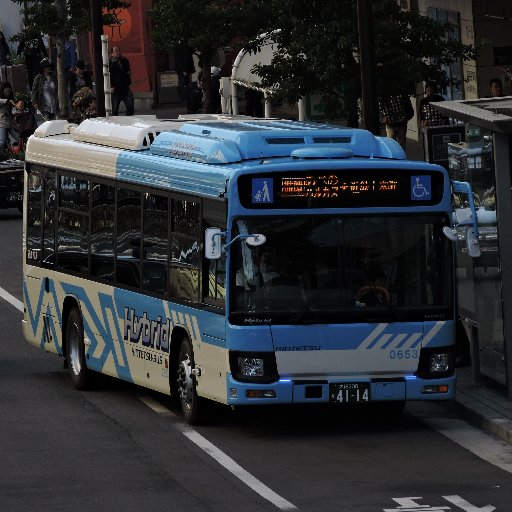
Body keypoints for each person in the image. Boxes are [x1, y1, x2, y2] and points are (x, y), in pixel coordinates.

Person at [109, 46, 134, 116]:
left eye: (119, 51)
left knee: (130, 105)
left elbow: (128, 71)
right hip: (116, 89)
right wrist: (111, 86)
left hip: (125, 87)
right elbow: (110, 75)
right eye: (116, 51)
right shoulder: (110, 63)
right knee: (114, 108)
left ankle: (130, 120)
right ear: (112, 53)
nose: (118, 52)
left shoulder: (124, 60)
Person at [0, 82, 20, 150]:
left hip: (10, 123)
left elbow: (13, 111)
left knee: (19, 138)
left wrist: (16, 113)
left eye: (9, 91)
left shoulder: (11, 99)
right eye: (6, 91)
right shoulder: (4, 100)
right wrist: (6, 101)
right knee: (2, 141)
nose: (8, 93)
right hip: (1, 124)